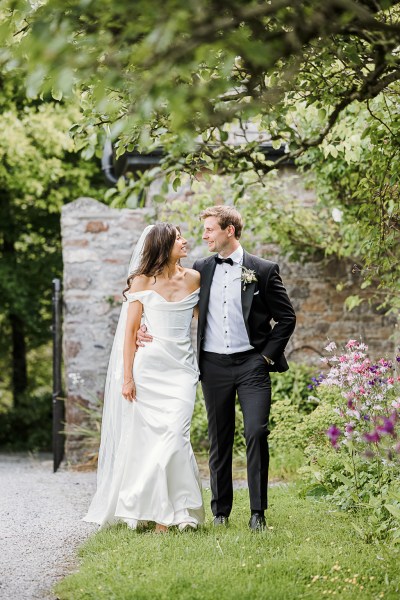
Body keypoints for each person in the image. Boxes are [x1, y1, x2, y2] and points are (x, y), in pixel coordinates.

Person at [137, 206, 296, 531]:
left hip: (252, 364)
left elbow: (287, 317)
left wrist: (265, 357)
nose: (204, 235)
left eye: (210, 229)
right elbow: (172, 302)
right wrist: (143, 326)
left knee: (256, 432)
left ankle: (257, 513)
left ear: (229, 231)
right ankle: (220, 511)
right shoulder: (200, 269)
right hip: (213, 366)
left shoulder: (263, 270)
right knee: (220, 437)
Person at [83, 223, 205, 533]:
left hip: (182, 372)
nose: (186, 241)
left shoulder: (194, 278)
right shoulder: (142, 281)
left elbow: (205, 322)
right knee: (149, 441)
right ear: (163, 245)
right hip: (148, 370)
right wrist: (128, 378)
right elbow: (130, 333)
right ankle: (163, 515)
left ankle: (175, 509)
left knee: (176, 437)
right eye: (179, 238)